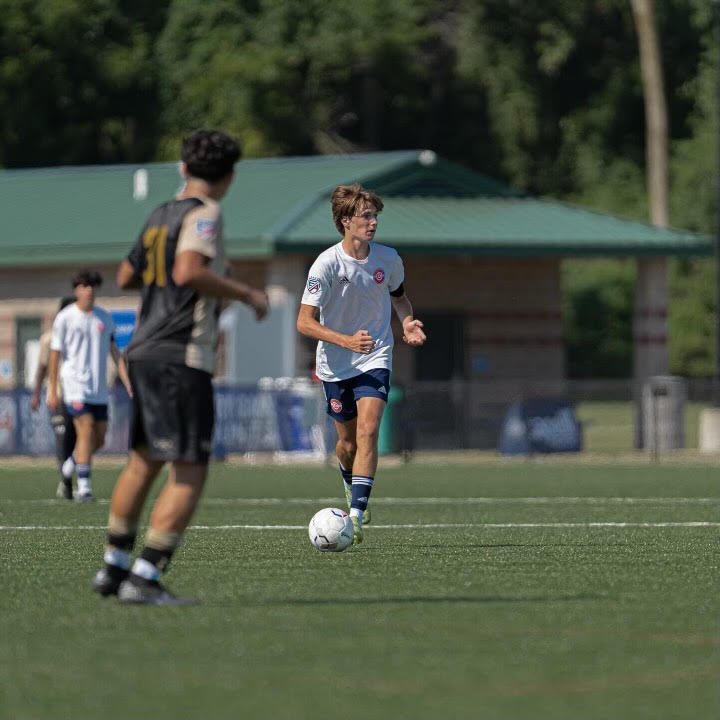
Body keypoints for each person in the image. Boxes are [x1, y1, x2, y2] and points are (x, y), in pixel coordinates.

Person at [92, 129, 269, 605]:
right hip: (179, 354)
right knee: (190, 468)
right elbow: (188, 271)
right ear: (229, 176)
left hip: (143, 348)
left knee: (143, 461)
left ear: (183, 169)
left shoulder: (159, 214)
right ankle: (146, 577)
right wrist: (246, 293)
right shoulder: (204, 214)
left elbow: (128, 274)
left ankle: (114, 567)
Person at [296, 183, 426, 544]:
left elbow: (400, 299)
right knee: (347, 445)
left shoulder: (388, 259)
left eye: (375, 216)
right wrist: (346, 341)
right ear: (344, 221)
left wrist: (407, 322)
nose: (373, 223)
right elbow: (304, 322)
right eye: (366, 216)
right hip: (335, 365)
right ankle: (348, 479)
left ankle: (354, 515)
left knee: (369, 430)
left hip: (376, 356)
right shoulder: (326, 264)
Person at [48, 270, 132, 502]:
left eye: (92, 286)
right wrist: (53, 388)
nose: (89, 290)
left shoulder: (104, 318)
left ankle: (69, 466)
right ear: (76, 290)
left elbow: (116, 354)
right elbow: (54, 355)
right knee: (85, 430)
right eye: (84, 286)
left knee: (100, 437)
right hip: (75, 385)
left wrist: (128, 384)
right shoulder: (65, 318)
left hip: (99, 389)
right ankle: (84, 487)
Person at [32, 296, 77, 500]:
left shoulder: (81, 336)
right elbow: (41, 368)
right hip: (59, 396)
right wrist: (37, 394)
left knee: (80, 439)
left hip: (80, 395)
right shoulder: (49, 339)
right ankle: (65, 481)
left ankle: (80, 479)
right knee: (62, 440)